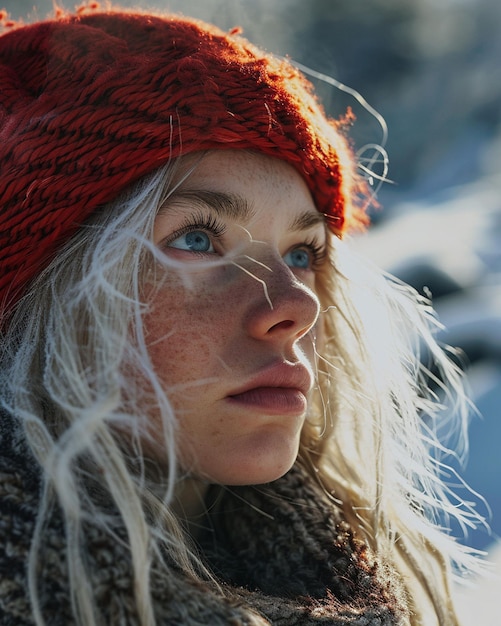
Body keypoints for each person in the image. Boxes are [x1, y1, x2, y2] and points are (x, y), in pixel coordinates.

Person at [0, 3, 483, 625]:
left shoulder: (350, 590)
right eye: (197, 238)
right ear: (37, 292)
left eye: (302, 252)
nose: (296, 305)